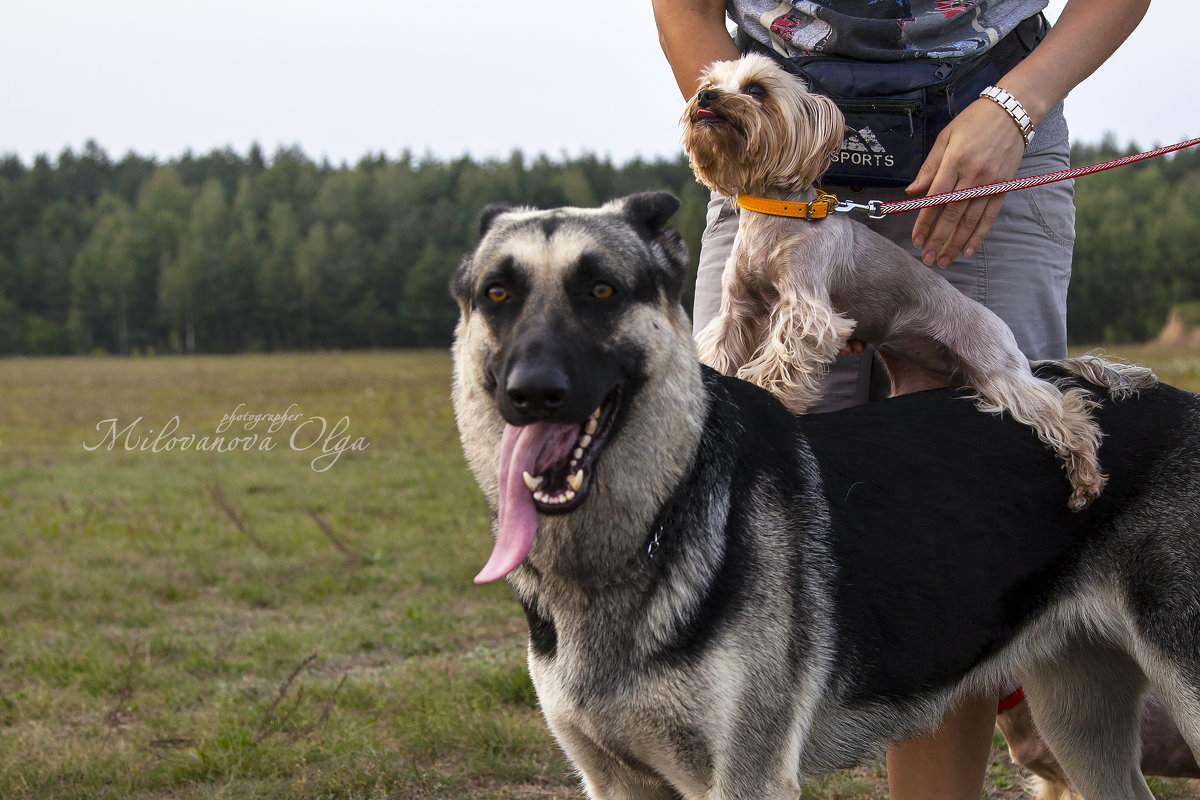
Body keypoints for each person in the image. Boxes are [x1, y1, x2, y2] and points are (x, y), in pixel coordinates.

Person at [651, 0, 1151, 797]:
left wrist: (1014, 107)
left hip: (988, 124)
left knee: (967, 523)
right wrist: (760, 144)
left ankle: (1021, 686)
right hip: (774, 135)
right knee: (716, 498)